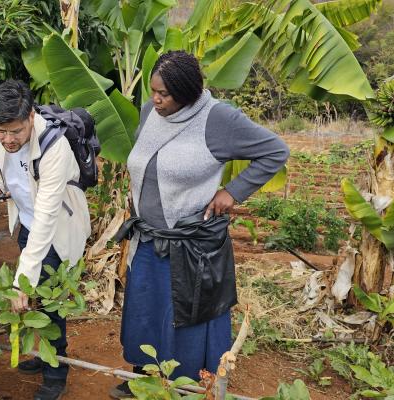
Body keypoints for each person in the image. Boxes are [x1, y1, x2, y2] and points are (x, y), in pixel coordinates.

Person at [111, 50, 290, 398]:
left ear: (189, 91)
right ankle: (145, 378)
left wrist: (232, 192)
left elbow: (275, 150)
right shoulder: (150, 112)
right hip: (147, 237)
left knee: (185, 316)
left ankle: (184, 386)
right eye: (153, 91)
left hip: (190, 242)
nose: (156, 99)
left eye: (165, 94)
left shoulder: (217, 118)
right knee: (146, 310)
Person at [0, 79, 91, 400]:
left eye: (14, 132)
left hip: (56, 228)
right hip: (27, 223)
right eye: (1, 132)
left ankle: (57, 371)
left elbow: (47, 218)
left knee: (50, 300)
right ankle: (42, 353)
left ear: (31, 117)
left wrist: (21, 281)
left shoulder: (54, 147)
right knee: (36, 300)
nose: (7, 139)